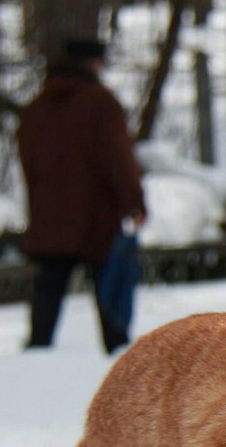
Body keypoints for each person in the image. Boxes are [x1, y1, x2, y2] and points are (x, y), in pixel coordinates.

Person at [17, 37, 147, 353]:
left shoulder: (37, 106)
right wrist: (134, 202)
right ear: (93, 64)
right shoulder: (101, 104)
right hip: (96, 218)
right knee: (108, 289)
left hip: (48, 217)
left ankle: (36, 352)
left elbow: (28, 160)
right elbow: (118, 159)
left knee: (48, 292)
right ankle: (116, 354)